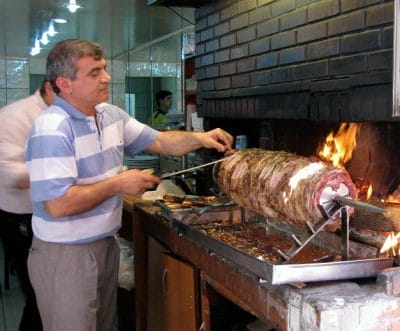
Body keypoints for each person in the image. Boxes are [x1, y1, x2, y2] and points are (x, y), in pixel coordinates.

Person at [25, 39, 233, 331]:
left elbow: (159, 140)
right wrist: (119, 183)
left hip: (104, 246)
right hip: (65, 256)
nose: (107, 78)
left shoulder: (110, 115)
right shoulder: (51, 128)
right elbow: (58, 204)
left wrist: (200, 138)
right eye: (95, 72)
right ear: (65, 83)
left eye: (105, 69)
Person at [0, 79, 55, 331]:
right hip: (20, 218)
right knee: (39, 295)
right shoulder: (14, 116)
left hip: (53, 219)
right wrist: (66, 173)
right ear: (49, 87)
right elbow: (11, 174)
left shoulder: (67, 115)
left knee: (52, 294)